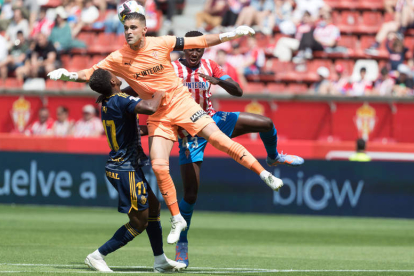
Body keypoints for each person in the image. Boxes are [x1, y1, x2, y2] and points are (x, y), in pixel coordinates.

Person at [48, 12, 284, 245]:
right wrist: (68, 75)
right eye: (126, 28)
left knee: (218, 139)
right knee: (159, 166)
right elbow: (91, 74)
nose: (128, 32)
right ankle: (177, 219)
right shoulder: (117, 57)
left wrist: (231, 34)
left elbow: (199, 41)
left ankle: (265, 174)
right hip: (158, 115)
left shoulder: (162, 42)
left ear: (144, 30)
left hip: (182, 104)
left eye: (133, 28)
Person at [170, 30, 304, 267]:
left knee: (266, 123)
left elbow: (238, 90)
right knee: (191, 194)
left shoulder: (210, 65)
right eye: (190, 48)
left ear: (203, 49)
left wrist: (219, 81)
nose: (194, 52)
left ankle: (273, 158)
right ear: (184, 48)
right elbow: (147, 89)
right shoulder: (172, 69)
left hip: (214, 120)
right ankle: (182, 242)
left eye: (198, 48)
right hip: (190, 133)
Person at [84, 68, 186, 273]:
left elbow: (130, 96)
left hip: (125, 166)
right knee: (139, 222)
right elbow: (149, 107)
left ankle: (160, 260)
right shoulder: (120, 99)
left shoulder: (107, 99)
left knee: (154, 207)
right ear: (113, 81)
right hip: (124, 169)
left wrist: (142, 84)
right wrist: (160, 90)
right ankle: (97, 255)